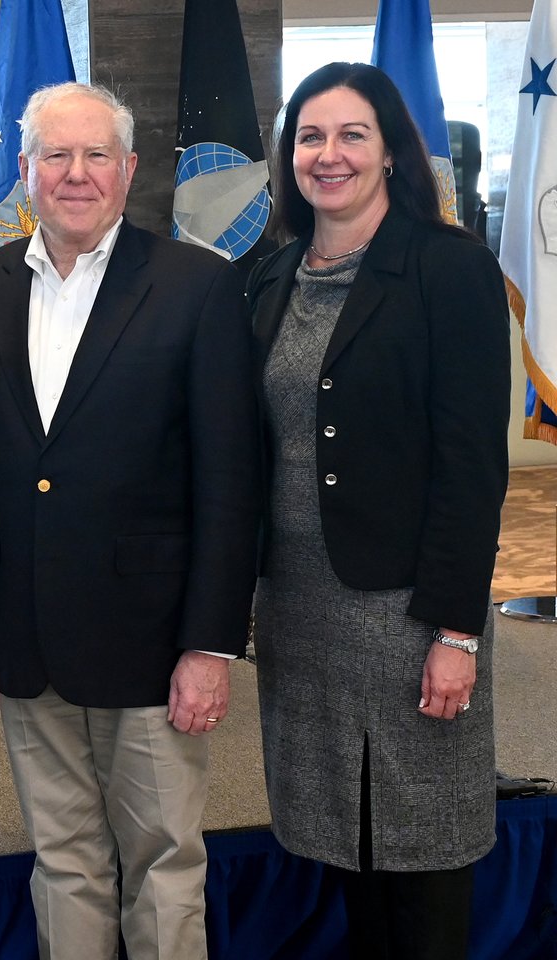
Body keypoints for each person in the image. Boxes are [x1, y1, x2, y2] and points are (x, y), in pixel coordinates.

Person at [0, 81, 260, 960]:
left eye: (97, 155)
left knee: (163, 862)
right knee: (63, 860)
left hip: (155, 642)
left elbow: (231, 481)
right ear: (26, 170)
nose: (76, 174)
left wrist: (210, 645)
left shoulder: (198, 288)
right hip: (23, 633)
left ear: (129, 169)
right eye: (56, 156)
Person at [247, 62, 511, 959]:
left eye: (352, 135)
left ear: (392, 151)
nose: (329, 155)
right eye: (310, 137)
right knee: (345, 841)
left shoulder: (449, 268)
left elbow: (472, 466)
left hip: (409, 610)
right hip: (301, 609)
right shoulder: (271, 276)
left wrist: (455, 631)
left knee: (423, 844)